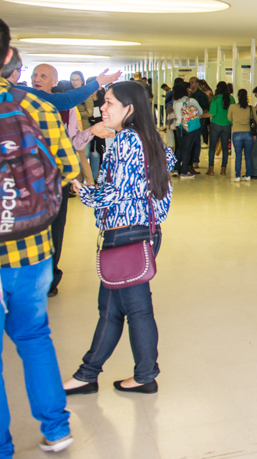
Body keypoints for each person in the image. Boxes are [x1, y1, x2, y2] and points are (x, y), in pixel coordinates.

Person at [63, 81, 176, 397]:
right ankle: (90, 373)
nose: (103, 108)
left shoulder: (127, 141)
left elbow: (115, 191)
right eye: (103, 102)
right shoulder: (147, 138)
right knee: (111, 307)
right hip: (144, 230)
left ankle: (143, 375)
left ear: (129, 108)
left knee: (134, 309)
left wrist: (82, 190)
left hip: (125, 233)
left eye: (110, 102)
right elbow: (169, 161)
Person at [0, 19, 81, 454]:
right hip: (31, 247)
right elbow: (66, 170)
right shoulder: (37, 107)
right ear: (11, 59)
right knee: (34, 337)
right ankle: (55, 428)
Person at [31, 63, 100, 296]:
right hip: (29, 180)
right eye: (34, 75)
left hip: (56, 178)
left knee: (55, 230)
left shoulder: (66, 109)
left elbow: (74, 143)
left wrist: (92, 131)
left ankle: (50, 278)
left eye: (43, 76)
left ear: (53, 81)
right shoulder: (22, 102)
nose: (36, 79)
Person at [170, 82, 202, 179]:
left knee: (180, 148)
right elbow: (199, 112)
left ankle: (176, 169)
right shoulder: (191, 101)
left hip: (178, 126)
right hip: (189, 127)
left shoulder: (175, 102)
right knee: (187, 149)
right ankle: (184, 171)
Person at [227, 88, 257, 181]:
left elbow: (229, 118)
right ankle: (248, 175)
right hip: (248, 134)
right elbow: (256, 121)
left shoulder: (232, 107)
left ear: (238, 97)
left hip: (237, 133)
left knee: (238, 156)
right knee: (248, 156)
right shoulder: (251, 108)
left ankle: (237, 176)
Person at [207, 81, 234, 176]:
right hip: (227, 125)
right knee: (225, 148)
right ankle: (223, 169)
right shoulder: (231, 98)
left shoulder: (215, 99)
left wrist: (202, 116)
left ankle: (211, 169)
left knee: (212, 147)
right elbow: (233, 112)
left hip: (215, 125)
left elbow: (212, 113)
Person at [188, 76, 211, 169]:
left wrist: (200, 115)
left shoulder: (201, 95)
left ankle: (195, 160)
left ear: (197, 83)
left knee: (197, 140)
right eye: (190, 83)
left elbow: (206, 108)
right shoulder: (188, 94)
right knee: (190, 141)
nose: (191, 84)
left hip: (198, 121)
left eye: (193, 82)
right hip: (188, 121)